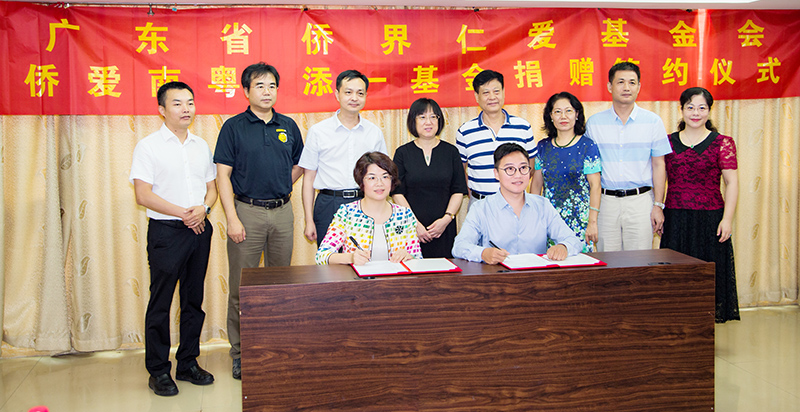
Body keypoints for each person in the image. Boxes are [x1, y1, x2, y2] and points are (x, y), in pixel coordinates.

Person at [213, 62, 304, 380]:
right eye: (260, 86)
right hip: (246, 213)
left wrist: (280, 185)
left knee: (280, 286)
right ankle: (240, 353)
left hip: (282, 212)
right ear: (246, 91)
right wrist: (232, 218)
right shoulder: (233, 127)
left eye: (272, 86)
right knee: (242, 289)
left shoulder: (288, 125)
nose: (267, 92)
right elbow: (222, 175)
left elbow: (300, 164)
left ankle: (275, 346)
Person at [130, 81, 216, 396]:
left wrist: (204, 209)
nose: (186, 109)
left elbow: (212, 188)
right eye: (177, 103)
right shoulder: (148, 146)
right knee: (161, 302)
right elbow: (143, 195)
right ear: (162, 110)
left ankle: (188, 363)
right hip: (167, 232)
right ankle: (158, 370)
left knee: (193, 300)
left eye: (190, 102)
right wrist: (183, 213)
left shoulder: (201, 145)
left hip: (200, 228)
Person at [661, 87, 740, 323]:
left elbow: (732, 183)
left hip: (710, 220)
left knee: (708, 276)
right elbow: (659, 179)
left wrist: (727, 219)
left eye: (702, 108)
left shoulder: (723, 143)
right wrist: (657, 208)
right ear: (681, 109)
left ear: (709, 110)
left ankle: (704, 329)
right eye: (690, 107)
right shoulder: (667, 142)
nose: (696, 113)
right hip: (676, 218)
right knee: (675, 276)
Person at [584, 62, 672, 251]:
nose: (626, 87)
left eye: (632, 83)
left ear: (639, 87)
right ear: (610, 86)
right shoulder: (594, 123)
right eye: (620, 82)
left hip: (641, 202)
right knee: (608, 260)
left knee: (640, 261)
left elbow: (659, 165)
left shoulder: (653, 122)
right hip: (606, 203)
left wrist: (658, 205)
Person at [452, 143, 583, 264]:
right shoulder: (481, 208)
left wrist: (563, 247)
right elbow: (459, 247)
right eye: (510, 169)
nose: (518, 175)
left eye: (523, 168)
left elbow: (573, 240)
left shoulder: (543, 205)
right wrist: (482, 253)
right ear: (496, 174)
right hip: (498, 277)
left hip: (536, 275)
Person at [300, 70, 389, 246]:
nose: (354, 98)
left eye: (360, 93)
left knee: (365, 256)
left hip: (365, 203)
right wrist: (309, 220)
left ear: (365, 96)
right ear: (337, 94)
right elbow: (308, 178)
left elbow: (382, 176)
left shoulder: (374, 133)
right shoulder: (318, 131)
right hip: (329, 204)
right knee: (330, 259)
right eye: (348, 92)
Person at [391, 98, 468, 258]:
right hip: (411, 228)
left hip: (444, 228)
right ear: (413, 121)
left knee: (445, 269)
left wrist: (446, 219)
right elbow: (397, 193)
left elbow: (458, 190)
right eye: (422, 117)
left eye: (433, 117)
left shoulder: (451, 152)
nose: (428, 122)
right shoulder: (402, 153)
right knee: (411, 269)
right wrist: (414, 224)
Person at [315, 152, 422, 265]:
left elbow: (418, 258)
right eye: (372, 178)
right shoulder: (347, 213)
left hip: (395, 276)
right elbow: (321, 256)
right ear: (361, 181)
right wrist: (350, 258)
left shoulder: (404, 215)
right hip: (357, 276)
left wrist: (409, 257)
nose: (379, 183)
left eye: (385, 177)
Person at [531, 92, 601, 253]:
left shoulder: (588, 146)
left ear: (577, 114)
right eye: (558, 111)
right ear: (551, 116)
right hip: (549, 221)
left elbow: (595, 186)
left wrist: (592, 222)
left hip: (580, 222)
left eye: (568, 111)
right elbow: (536, 185)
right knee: (552, 263)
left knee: (581, 264)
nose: (563, 116)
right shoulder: (542, 146)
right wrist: (535, 219)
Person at [455, 70, 537, 205]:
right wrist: (474, 195)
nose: (492, 97)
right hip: (480, 203)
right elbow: (459, 170)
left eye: (496, 91)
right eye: (486, 93)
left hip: (515, 202)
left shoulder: (523, 127)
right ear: (476, 96)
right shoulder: (465, 131)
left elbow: (531, 167)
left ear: (503, 93)